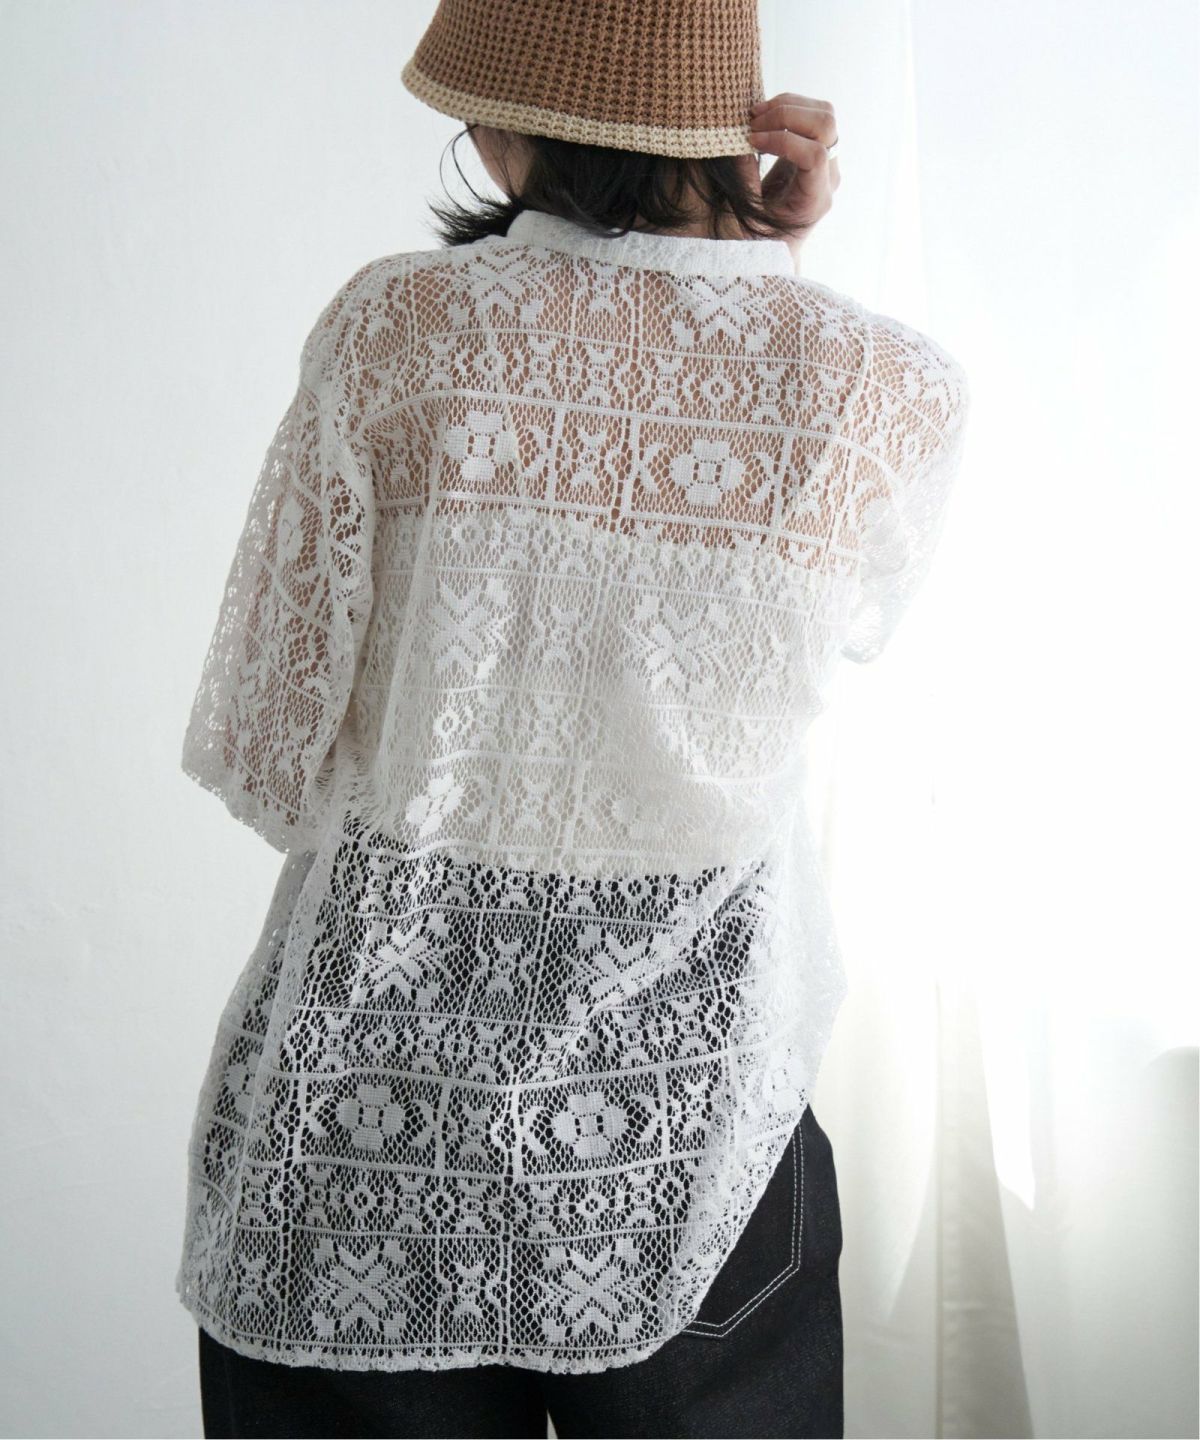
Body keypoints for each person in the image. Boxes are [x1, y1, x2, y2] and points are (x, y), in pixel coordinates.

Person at [176, 1, 972, 1435]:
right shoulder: (884, 385)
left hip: (363, 1118)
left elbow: (269, 752)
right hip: (691, 1130)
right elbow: (834, 620)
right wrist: (759, 270)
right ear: (723, 123)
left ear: (507, 127)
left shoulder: (394, 331)